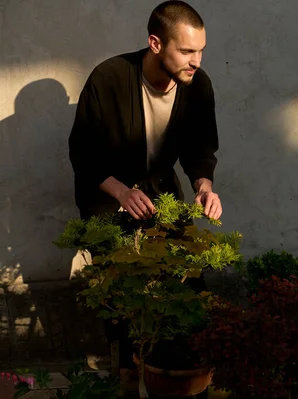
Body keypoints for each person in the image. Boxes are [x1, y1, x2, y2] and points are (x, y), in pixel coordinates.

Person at [68, 1, 221, 392]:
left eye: (200, 50)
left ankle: (179, 378)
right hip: (107, 196)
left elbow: (201, 149)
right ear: (155, 44)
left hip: (160, 192)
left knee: (188, 282)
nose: (196, 61)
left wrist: (204, 185)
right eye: (187, 51)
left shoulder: (197, 86)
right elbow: (82, 152)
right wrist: (121, 190)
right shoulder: (110, 78)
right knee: (121, 296)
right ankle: (127, 376)